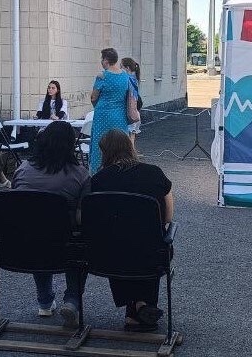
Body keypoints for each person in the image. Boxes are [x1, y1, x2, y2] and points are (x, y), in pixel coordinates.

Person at [90, 129, 174, 332]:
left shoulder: (99, 180)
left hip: (109, 255)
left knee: (119, 241)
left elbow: (94, 219)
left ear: (105, 153)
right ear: (130, 147)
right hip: (151, 252)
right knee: (146, 240)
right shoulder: (154, 172)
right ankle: (143, 305)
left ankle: (134, 308)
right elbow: (168, 217)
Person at [11, 120, 90, 328]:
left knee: (38, 229)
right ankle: (72, 300)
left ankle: (44, 302)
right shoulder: (80, 174)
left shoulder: (23, 169)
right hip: (64, 243)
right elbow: (82, 217)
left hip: (23, 243)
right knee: (78, 243)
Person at [89, 48, 130, 173]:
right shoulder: (125, 75)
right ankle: (122, 170)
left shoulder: (102, 76)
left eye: (102, 59)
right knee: (120, 143)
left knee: (100, 142)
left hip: (103, 115)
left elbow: (93, 97)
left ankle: (98, 171)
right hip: (120, 115)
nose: (101, 61)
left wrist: (98, 106)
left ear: (106, 60)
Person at [120, 57, 142, 148]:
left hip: (129, 112)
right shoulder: (134, 79)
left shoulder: (127, 79)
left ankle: (129, 154)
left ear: (127, 68)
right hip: (135, 111)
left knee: (127, 138)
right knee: (132, 137)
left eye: (121, 67)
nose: (120, 69)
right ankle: (132, 154)